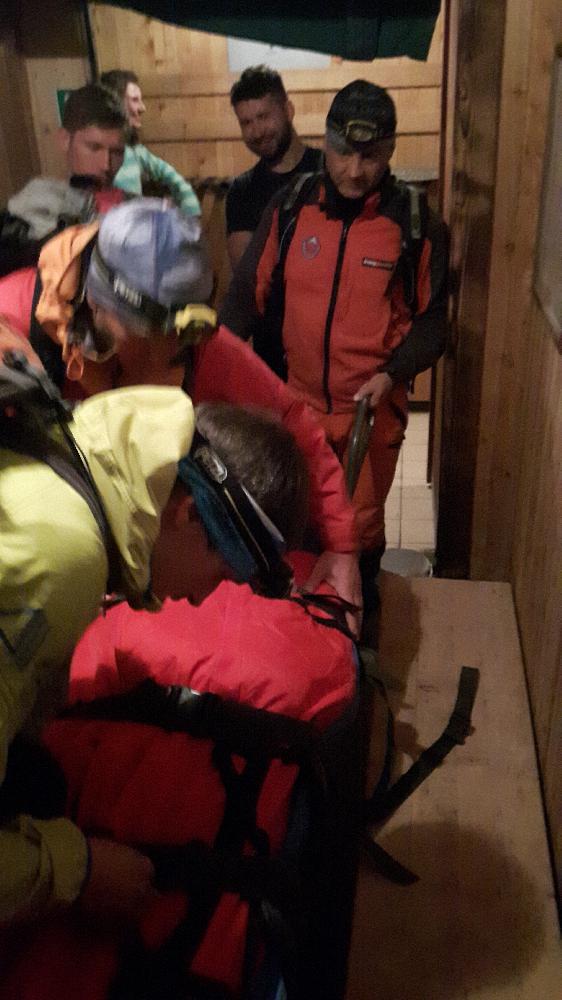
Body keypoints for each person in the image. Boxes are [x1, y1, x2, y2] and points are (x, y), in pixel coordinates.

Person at [0, 339, 311, 926]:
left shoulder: (79, 442)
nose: (203, 599)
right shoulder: (67, 558)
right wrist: (80, 871)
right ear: (188, 514)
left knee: (36, 785)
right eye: (224, 573)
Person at [0, 198, 361, 621]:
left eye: (177, 342)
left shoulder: (196, 346)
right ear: (96, 306)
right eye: (147, 338)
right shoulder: (13, 330)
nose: (165, 360)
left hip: (122, 556)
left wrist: (342, 546)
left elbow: (293, 422)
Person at [220, 79, 449, 610]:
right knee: (296, 524)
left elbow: (433, 324)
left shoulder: (415, 224)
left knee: (358, 533)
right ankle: (305, 632)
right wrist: (211, 360)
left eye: (371, 156)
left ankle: (358, 633)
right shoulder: (292, 206)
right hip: (299, 405)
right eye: (343, 152)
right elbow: (244, 294)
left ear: (390, 150)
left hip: (370, 410)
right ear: (325, 141)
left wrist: (392, 374)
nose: (355, 169)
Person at [0, 85, 127, 278]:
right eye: (94, 148)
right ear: (65, 140)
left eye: (117, 152)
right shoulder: (33, 206)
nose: (106, 164)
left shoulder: (137, 206)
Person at [226, 65, 323, 271]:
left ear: (288, 111)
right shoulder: (242, 192)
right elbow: (245, 274)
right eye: (246, 123)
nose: (257, 132)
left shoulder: (328, 171)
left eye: (263, 117)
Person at [100, 69, 201, 217]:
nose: (143, 108)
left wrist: (191, 214)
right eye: (135, 100)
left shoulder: (134, 150)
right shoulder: (94, 156)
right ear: (115, 104)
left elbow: (174, 179)